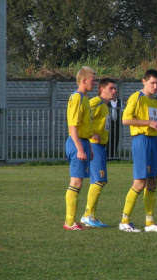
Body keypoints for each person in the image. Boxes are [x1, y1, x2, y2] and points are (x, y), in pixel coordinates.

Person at [119, 69, 157, 232]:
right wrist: (148, 123)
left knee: (152, 182)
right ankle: (124, 220)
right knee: (139, 182)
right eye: (152, 83)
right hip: (141, 141)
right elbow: (125, 119)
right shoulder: (137, 97)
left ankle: (150, 223)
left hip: (153, 142)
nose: (155, 86)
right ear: (144, 82)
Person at [80, 78, 117, 227]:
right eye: (111, 88)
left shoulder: (105, 106)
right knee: (99, 180)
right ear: (102, 89)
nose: (114, 91)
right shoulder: (96, 101)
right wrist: (90, 134)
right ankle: (88, 215)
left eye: (115, 89)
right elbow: (82, 115)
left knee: (98, 181)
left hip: (100, 146)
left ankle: (91, 216)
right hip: (94, 145)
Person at [63, 66, 96, 230]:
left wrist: (88, 146)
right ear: (83, 81)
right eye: (93, 80)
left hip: (82, 142)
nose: (95, 84)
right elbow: (73, 126)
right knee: (75, 182)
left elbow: (84, 126)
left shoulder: (84, 98)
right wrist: (80, 149)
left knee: (78, 182)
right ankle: (69, 222)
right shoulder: (77, 98)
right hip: (76, 143)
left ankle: (71, 221)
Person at [107, 91, 123, 158]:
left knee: (116, 138)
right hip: (109, 122)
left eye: (116, 93)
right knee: (109, 138)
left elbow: (121, 112)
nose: (114, 94)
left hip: (117, 123)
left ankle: (113, 155)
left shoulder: (119, 101)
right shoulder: (107, 101)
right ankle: (107, 155)